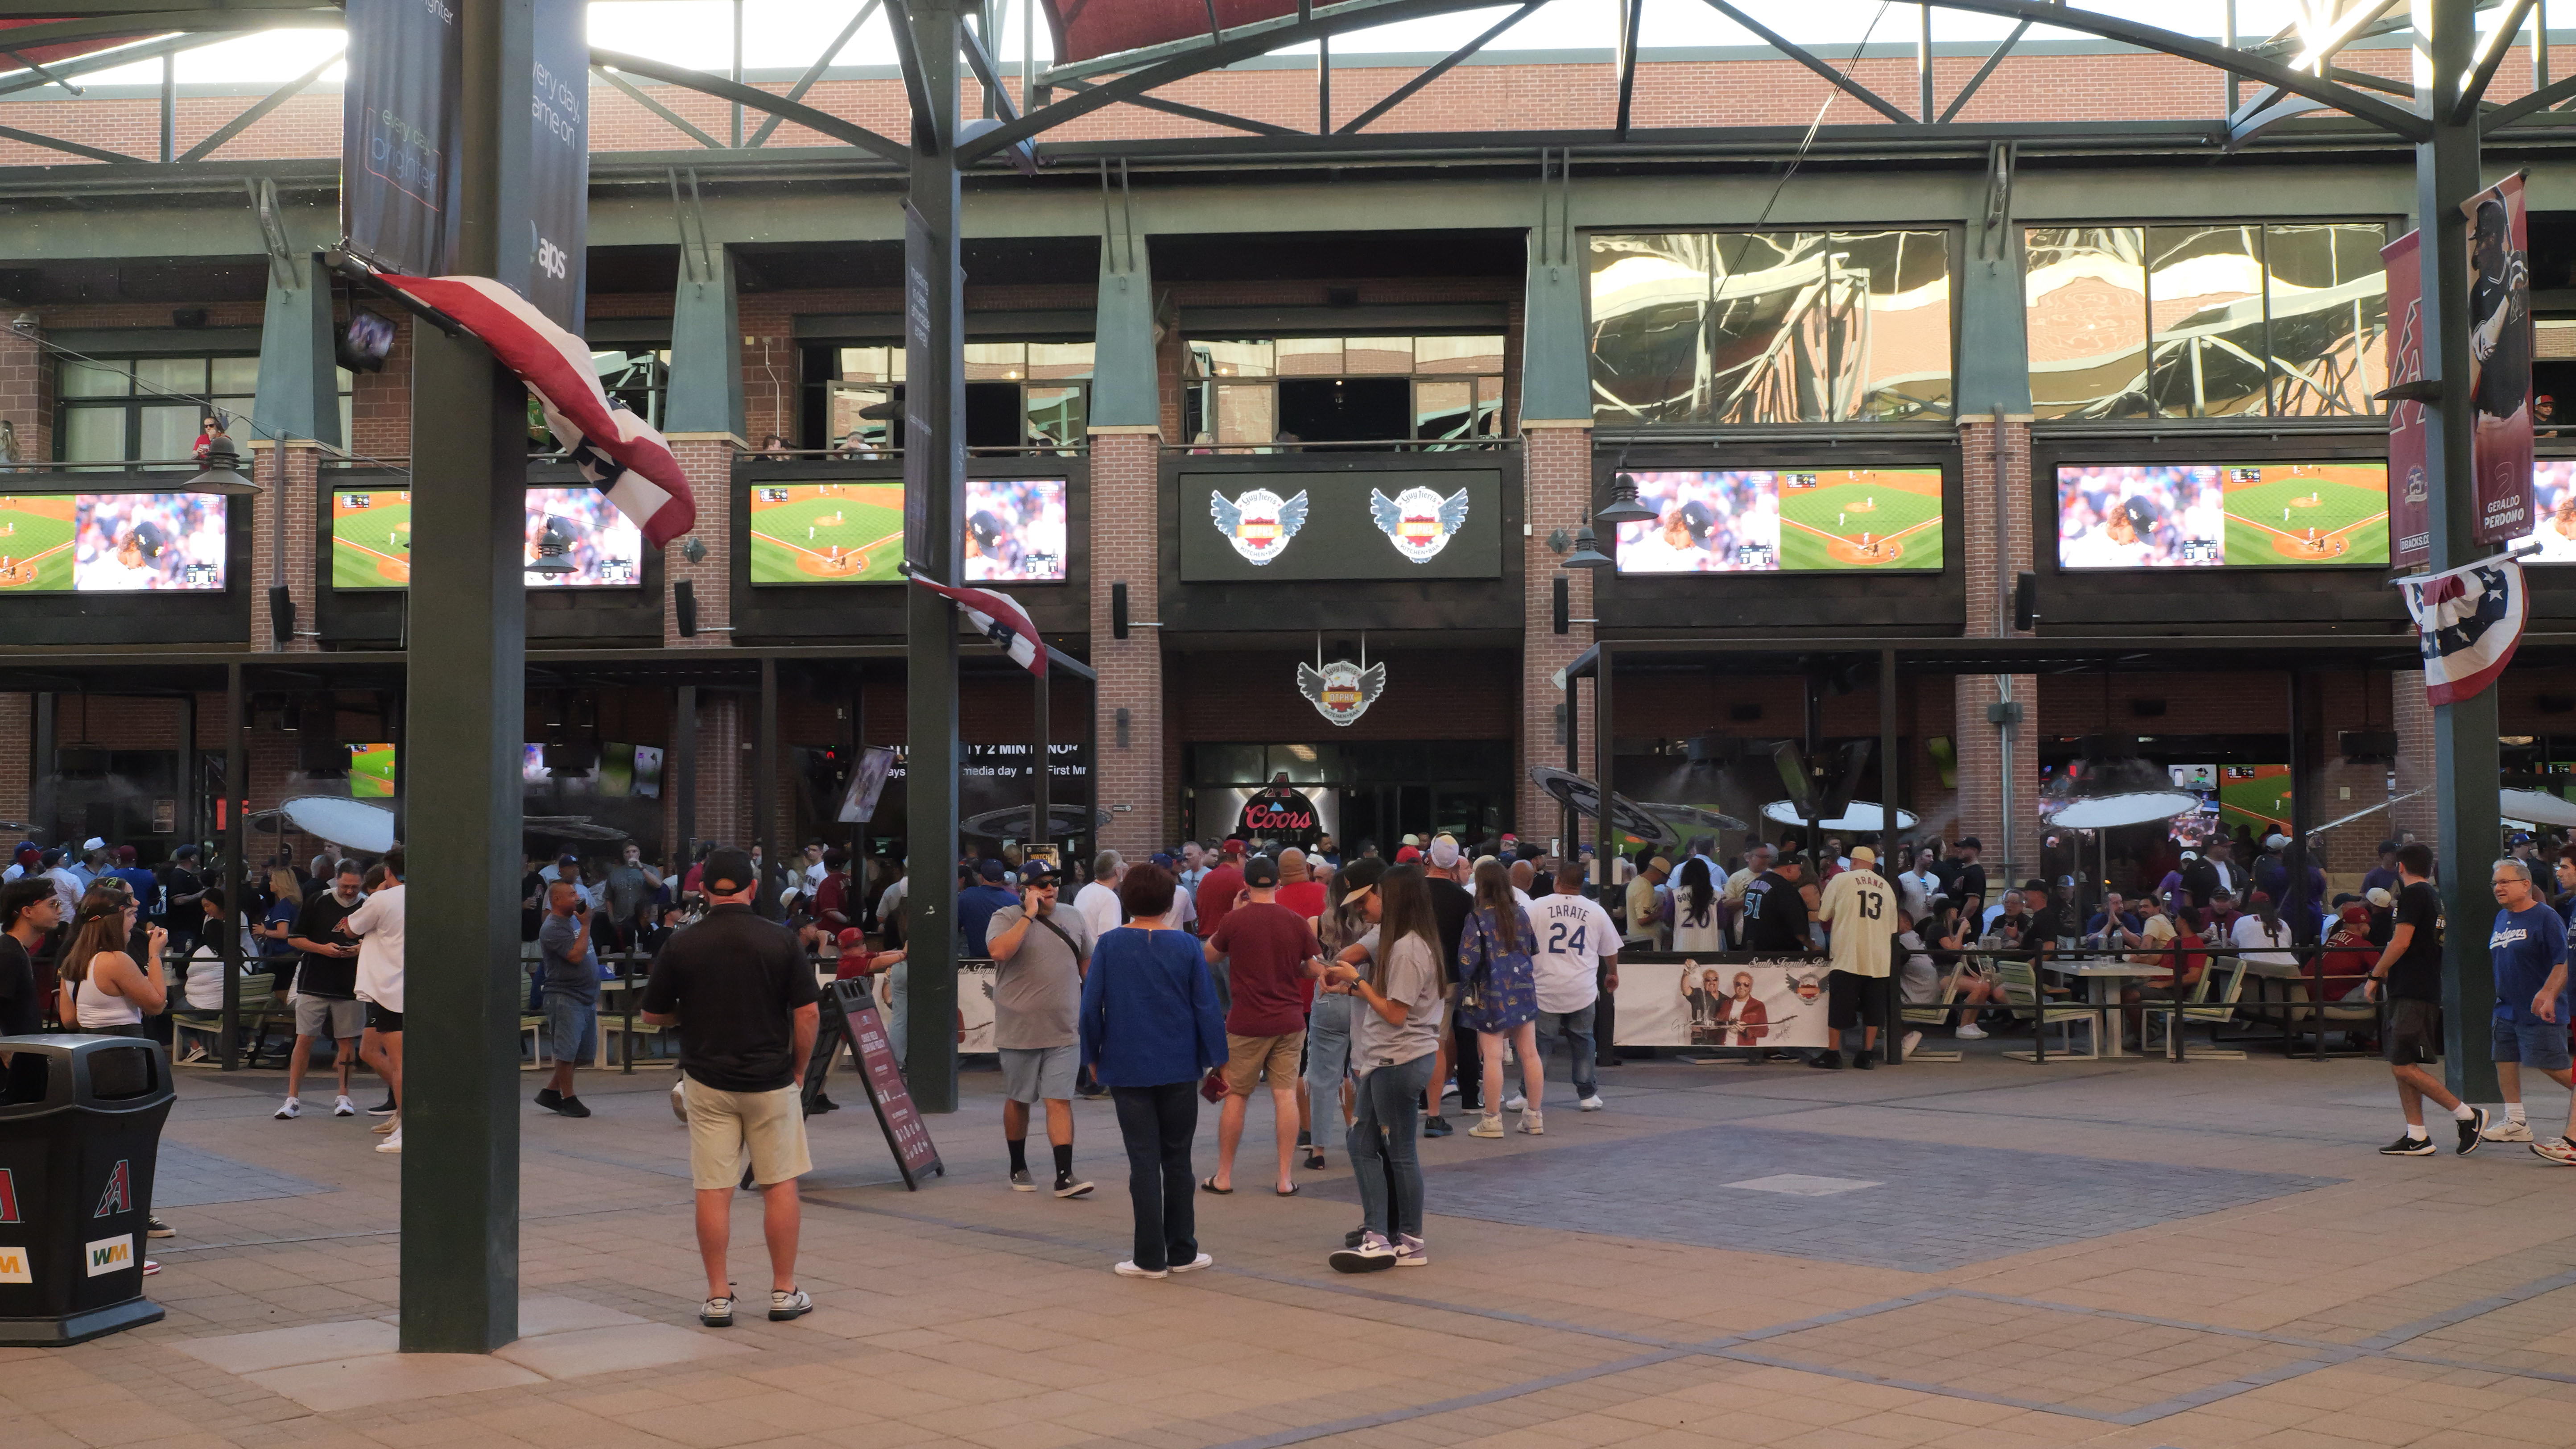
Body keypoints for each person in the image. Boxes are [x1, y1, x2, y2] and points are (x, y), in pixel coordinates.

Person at [639, 848, 820, 1326]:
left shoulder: (682, 943)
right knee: (780, 1183)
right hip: (770, 1079)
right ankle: (784, 1290)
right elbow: (807, 1013)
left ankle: (718, 1295)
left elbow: (652, 1014)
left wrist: (689, 1013)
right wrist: (799, 1070)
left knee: (713, 1189)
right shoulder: (780, 940)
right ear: (753, 887)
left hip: (706, 1080)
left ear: (703, 890)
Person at [1079, 861, 1226, 1279]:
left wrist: (1092, 1054)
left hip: (1126, 1063)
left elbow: (1092, 1006)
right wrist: (1219, 1059)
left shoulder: (1108, 946)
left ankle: (1148, 1257)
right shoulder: (1187, 947)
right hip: (1180, 1063)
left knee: (1143, 1161)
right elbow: (1206, 1007)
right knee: (1178, 1159)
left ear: (1126, 900)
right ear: (1170, 902)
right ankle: (1183, 1250)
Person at [1319, 862, 1445, 1271]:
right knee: (1370, 1145)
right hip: (1391, 1059)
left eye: (1373, 897)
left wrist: (1359, 984)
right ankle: (1395, 1237)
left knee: (1395, 1150)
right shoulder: (1405, 942)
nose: (1366, 908)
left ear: (1394, 897)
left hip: (1398, 1058)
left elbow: (1394, 1013)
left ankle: (1393, 1237)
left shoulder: (1408, 948)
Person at [1202, 854, 1325, 1195]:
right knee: (1284, 1095)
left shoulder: (1235, 921)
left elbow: (1208, 957)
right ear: (1278, 884)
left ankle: (1224, 1176)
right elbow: (1306, 966)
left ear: (1245, 885)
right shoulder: (1295, 920)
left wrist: (1233, 913)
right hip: (1289, 1019)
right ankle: (1285, 1179)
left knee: (1236, 1096)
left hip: (1246, 1022)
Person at [2365, 842, 2489, 1155]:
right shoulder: (2433, 896)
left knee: (2403, 1066)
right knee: (2401, 1061)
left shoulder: (2413, 895)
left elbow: (2401, 941)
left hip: (2413, 988)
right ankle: (2417, 1135)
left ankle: (2467, 1115)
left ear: (2400, 867)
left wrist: (2375, 975)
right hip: (2421, 985)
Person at [983, 858, 1095, 1198]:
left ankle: (1065, 1175)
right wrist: (1029, 916)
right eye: (1042, 884)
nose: (1050, 889)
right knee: (1019, 1099)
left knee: (1059, 1099)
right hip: (1020, 1028)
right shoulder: (1005, 918)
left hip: (1063, 1028)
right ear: (1025, 889)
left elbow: (1087, 963)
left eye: (1054, 882)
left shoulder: (1073, 916)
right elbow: (999, 952)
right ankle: (1018, 1165)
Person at [2477, 858, 2570, 1149]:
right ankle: (2516, 1122)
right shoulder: (2501, 918)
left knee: (2551, 1066)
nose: (2499, 888)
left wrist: (2549, 994)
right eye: (2496, 883)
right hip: (2506, 1007)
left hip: (2539, 1008)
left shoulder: (2546, 917)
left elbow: (2563, 961)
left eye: (2505, 882)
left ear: (2526, 884)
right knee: (2504, 1059)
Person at [1454, 858, 1541, 1138]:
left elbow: (1467, 960)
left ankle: (1491, 1119)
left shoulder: (1477, 917)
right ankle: (1534, 1117)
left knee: (1492, 1057)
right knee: (1529, 1053)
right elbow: (1533, 949)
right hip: (1523, 989)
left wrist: (1464, 988)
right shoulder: (1522, 913)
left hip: (1492, 992)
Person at [1306, 859, 1382, 1179]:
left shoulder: (1318, 921)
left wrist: (1324, 971)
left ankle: (1319, 1149)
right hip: (1360, 992)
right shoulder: (1372, 924)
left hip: (1327, 999)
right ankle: (1362, 1134)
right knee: (1361, 1070)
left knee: (1323, 1076)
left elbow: (1310, 960)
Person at [279, 860, 367, 1120]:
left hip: (350, 983)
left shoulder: (367, 905)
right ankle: (292, 1098)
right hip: (314, 979)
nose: (349, 891)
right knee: (304, 1038)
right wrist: (322, 948)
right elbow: (295, 938)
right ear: (336, 880)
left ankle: (344, 1095)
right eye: (345, 886)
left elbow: (375, 940)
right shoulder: (318, 901)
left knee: (346, 1040)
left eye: (354, 886)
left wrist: (357, 950)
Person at [1527, 860, 1617, 1111]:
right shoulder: (1596, 911)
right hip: (1582, 988)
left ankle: (1528, 1094)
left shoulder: (1537, 907)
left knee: (1540, 1044)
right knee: (1583, 1040)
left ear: (1557, 879)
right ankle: (1587, 1095)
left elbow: (1519, 941)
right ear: (1582, 883)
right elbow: (1610, 949)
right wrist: (1612, 974)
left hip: (1544, 986)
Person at [1814, 846, 1903, 1068]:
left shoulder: (1841, 880)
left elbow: (1824, 915)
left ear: (1853, 862)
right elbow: (1893, 928)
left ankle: (1833, 1054)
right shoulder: (1887, 888)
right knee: (1874, 1010)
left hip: (1848, 954)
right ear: (1872, 865)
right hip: (1879, 958)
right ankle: (1867, 1055)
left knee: (1839, 1007)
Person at [343, 848, 406, 1154]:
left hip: (389, 988)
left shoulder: (382, 900)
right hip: (408, 986)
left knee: (400, 1063)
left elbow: (350, 927)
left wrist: (377, 895)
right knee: (399, 1059)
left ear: (387, 872)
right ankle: (402, 1120)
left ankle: (408, 1127)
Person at [534, 881, 602, 1117]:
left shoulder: (575, 919)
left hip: (585, 996)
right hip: (565, 996)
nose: (577, 897)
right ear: (556, 900)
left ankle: (551, 1091)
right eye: (572, 894)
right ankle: (569, 1098)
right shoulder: (552, 927)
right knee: (566, 1052)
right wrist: (586, 925)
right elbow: (575, 956)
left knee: (583, 1054)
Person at [57, 893, 164, 1036]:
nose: (134, 921)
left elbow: (69, 1020)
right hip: (121, 1048)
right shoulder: (115, 960)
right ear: (113, 921)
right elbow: (157, 1006)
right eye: (130, 915)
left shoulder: (72, 962)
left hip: (88, 1046)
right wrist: (155, 954)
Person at [0, 877, 58, 1035]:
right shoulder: (9, 954)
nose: (59, 911)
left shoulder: (17, 950)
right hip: (16, 1054)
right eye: (53, 905)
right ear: (27, 911)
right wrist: (6, 1052)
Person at [1742, 850, 1817, 954]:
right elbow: (1799, 929)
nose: (1801, 873)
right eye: (1799, 869)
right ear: (1789, 868)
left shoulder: (1754, 883)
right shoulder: (1785, 889)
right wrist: (1813, 947)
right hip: (1780, 953)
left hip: (1753, 948)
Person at [957, 860, 1016, 956]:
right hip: (1005, 961)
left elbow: (955, 926)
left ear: (981, 878)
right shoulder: (1014, 901)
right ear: (1002, 879)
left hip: (975, 963)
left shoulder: (967, 895)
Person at [1669, 858, 1725, 953]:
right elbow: (1722, 922)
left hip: (1682, 947)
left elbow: (1668, 919)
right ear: (1706, 875)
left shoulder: (1675, 894)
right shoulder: (1717, 895)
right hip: (1709, 948)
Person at [1074, 850, 1125, 940]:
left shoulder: (1084, 891)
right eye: (1122, 866)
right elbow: (1109, 939)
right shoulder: (1109, 898)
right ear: (1117, 871)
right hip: (1097, 953)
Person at [1627, 853, 1672, 952]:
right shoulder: (1644, 888)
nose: (1664, 882)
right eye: (1665, 878)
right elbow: (1643, 920)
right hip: (1645, 945)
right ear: (1659, 873)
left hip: (1639, 942)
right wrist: (1661, 912)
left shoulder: (1637, 881)